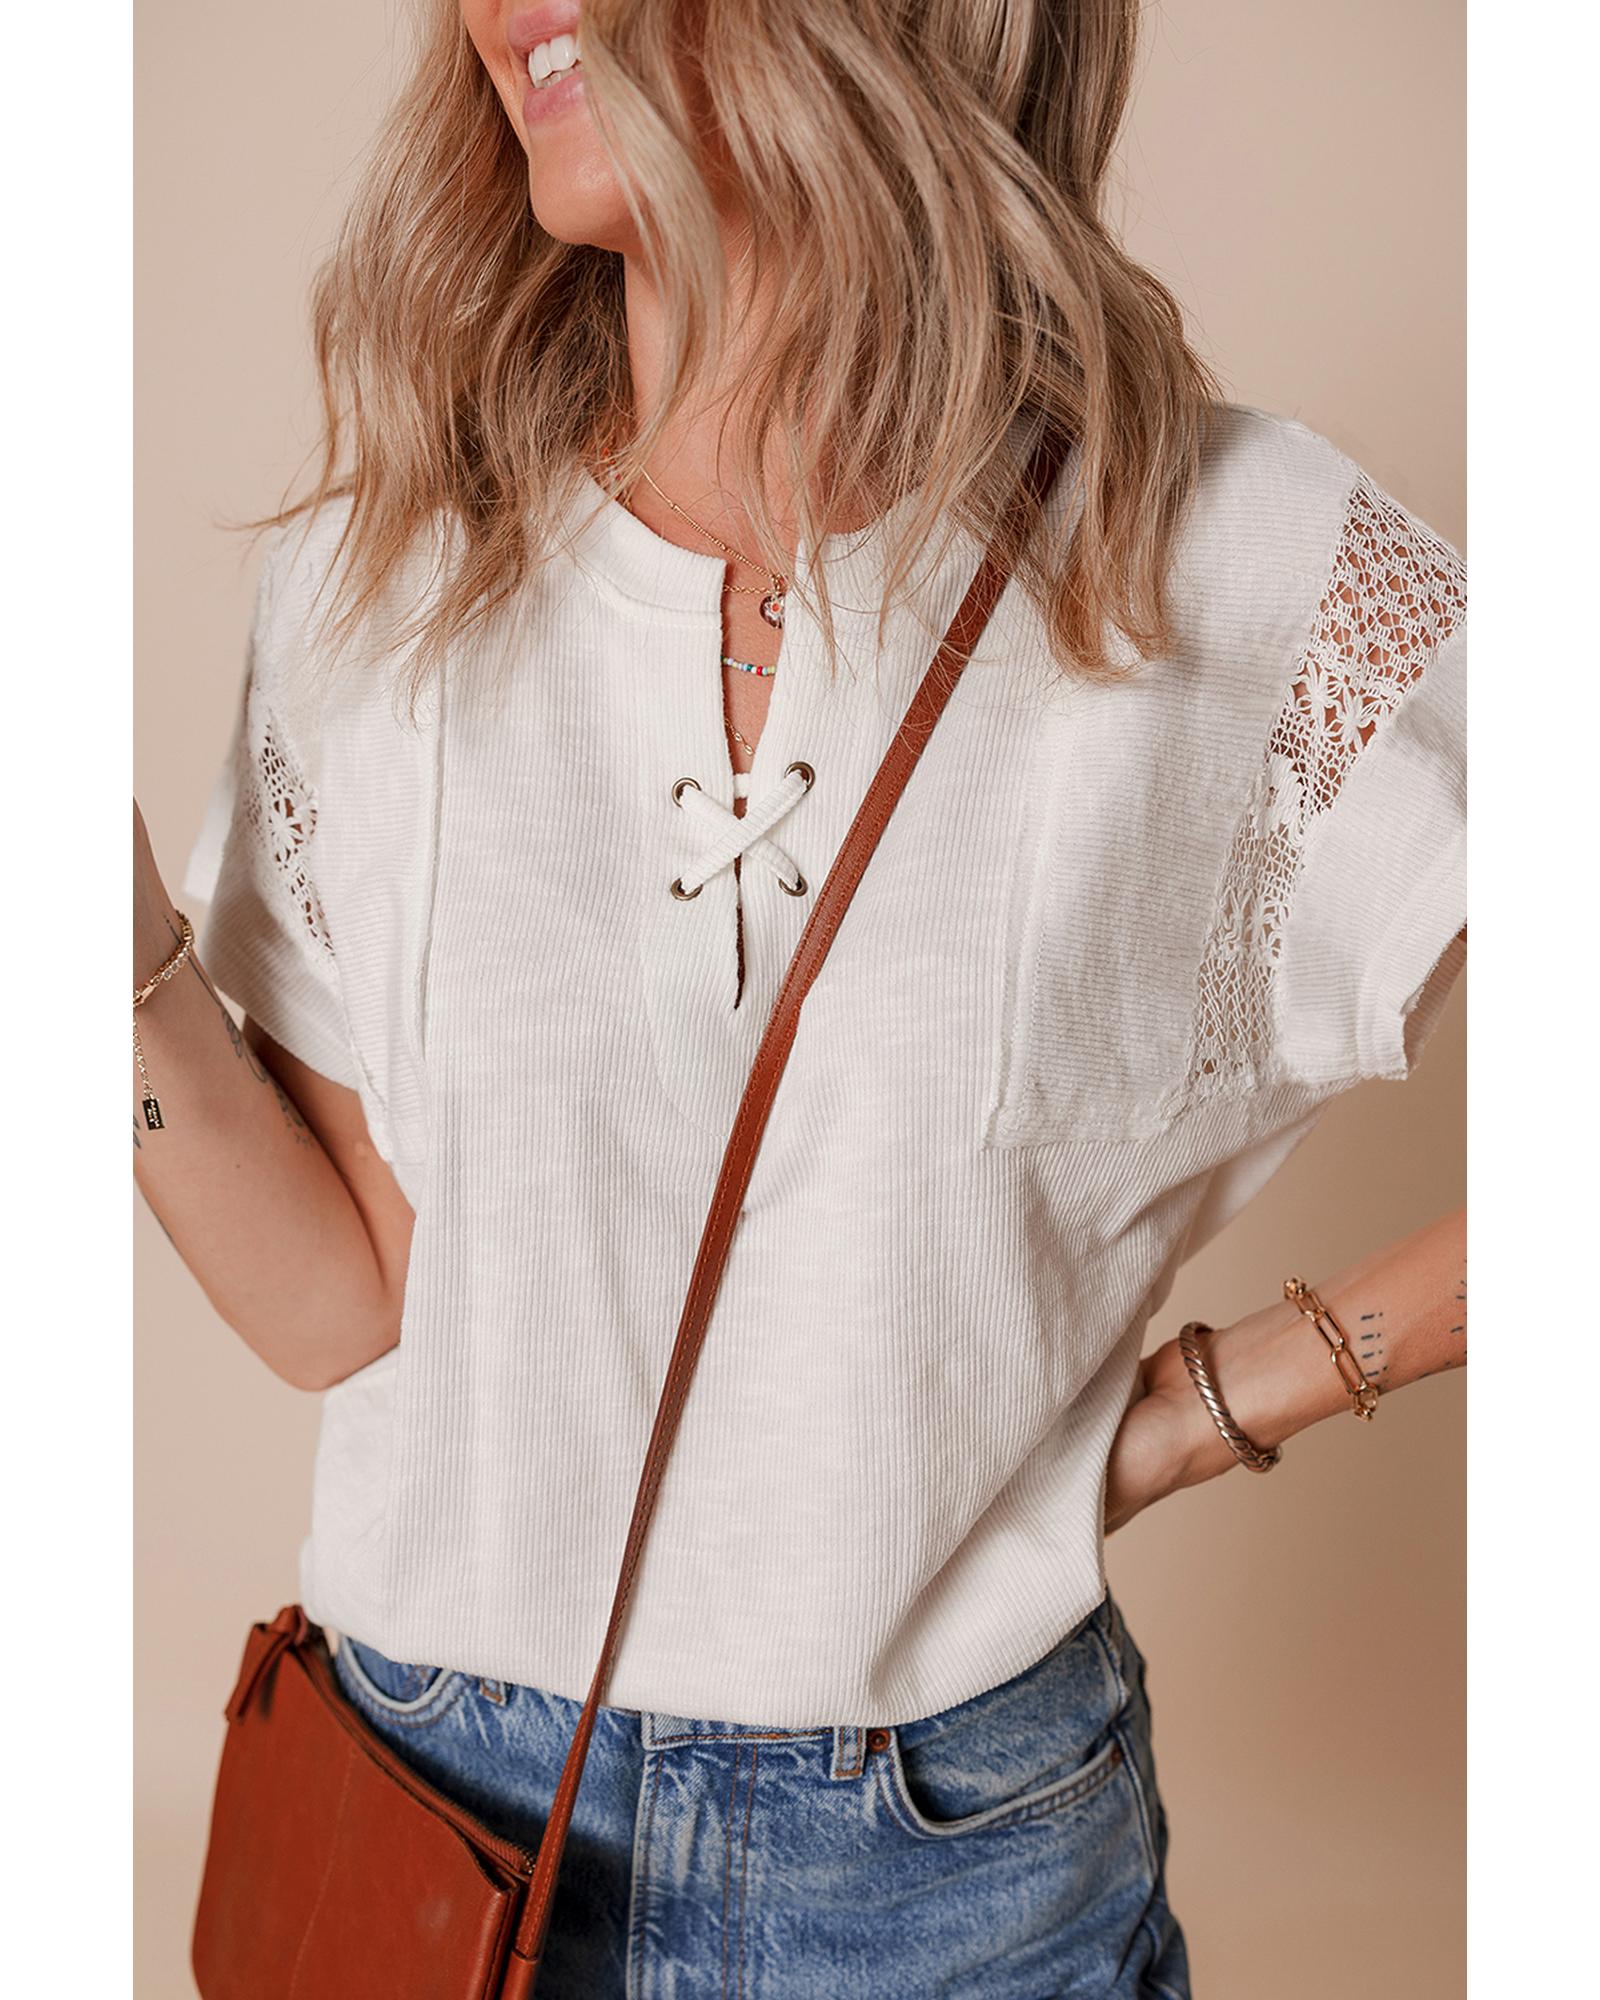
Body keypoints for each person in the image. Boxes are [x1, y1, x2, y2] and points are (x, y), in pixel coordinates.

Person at [132, 4, 1467, 1994]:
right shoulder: (386, 567)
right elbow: (349, 1299)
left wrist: (1227, 1399)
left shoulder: (1197, 553)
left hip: (952, 1866)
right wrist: (120, 976)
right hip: (438, 1814)